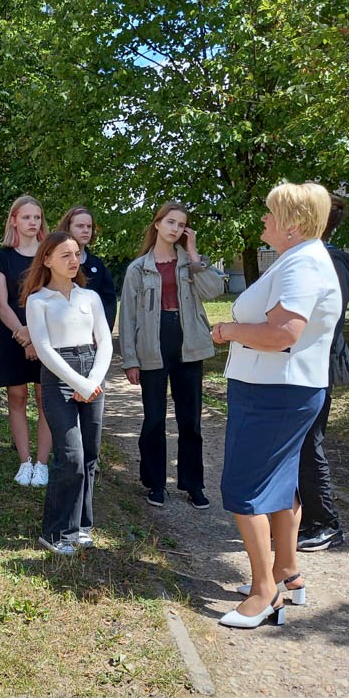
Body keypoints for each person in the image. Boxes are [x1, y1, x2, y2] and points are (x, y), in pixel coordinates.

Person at [212, 182, 340, 629]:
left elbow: (282, 334)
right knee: (280, 485)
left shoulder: (301, 265)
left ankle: (263, 592)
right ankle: (288, 572)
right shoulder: (298, 259)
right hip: (281, 388)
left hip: (274, 391)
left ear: (294, 224)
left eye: (270, 213)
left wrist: (227, 330)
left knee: (244, 489)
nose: (264, 220)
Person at [118, 202, 224, 509]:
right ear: (157, 224)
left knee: (190, 420)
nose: (176, 228)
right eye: (171, 222)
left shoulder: (190, 264)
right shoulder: (138, 268)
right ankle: (155, 483)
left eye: (181, 225)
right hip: (152, 343)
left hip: (187, 342)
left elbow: (214, 291)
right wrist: (130, 359)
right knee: (154, 418)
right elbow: (128, 319)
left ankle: (193, 485)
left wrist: (194, 255)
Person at [22, 232, 112, 555]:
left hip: (93, 372)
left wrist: (93, 381)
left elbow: (105, 342)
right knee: (70, 456)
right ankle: (56, 532)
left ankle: (81, 526)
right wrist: (79, 383)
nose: (74, 260)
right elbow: (44, 350)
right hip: (60, 376)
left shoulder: (90, 298)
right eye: (65, 255)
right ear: (47, 260)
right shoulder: (38, 301)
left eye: (76, 254)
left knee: (89, 455)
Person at [296, 194, 349, 552]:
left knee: (308, 445)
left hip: (316, 368)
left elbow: (327, 325)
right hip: (303, 366)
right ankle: (303, 520)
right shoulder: (312, 259)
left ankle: (325, 523)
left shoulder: (329, 263)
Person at [0, 195, 52, 486]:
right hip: (14, 335)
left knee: (45, 399)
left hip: (47, 336)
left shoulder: (50, 254)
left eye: (37, 218)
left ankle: (42, 464)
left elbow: (56, 298)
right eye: (27, 217)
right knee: (17, 398)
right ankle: (24, 462)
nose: (33, 222)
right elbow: (1, 303)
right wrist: (24, 338)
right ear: (14, 219)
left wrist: (37, 338)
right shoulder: (2, 257)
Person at [56, 206, 117, 330]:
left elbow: (109, 301)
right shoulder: (55, 262)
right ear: (68, 228)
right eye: (80, 226)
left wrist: (101, 332)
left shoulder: (98, 265)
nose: (86, 230)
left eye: (89, 227)